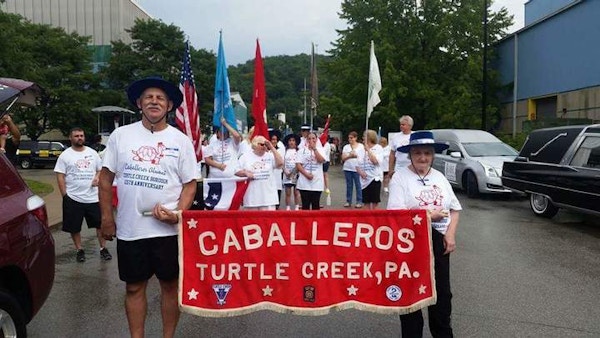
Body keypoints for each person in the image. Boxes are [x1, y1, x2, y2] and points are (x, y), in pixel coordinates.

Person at [98, 76, 197, 338]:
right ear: (139, 103)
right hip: (132, 229)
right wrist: (107, 218)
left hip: (168, 232)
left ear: (169, 106)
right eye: (148, 97)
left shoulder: (181, 140)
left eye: (160, 98)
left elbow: (190, 185)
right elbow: (105, 180)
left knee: (169, 286)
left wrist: (177, 213)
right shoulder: (121, 136)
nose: (154, 101)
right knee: (133, 287)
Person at [387, 131, 461, 337]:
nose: (423, 157)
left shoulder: (440, 177)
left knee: (442, 295)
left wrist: (451, 235)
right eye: (418, 152)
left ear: (433, 155)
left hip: (439, 242)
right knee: (412, 296)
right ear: (410, 154)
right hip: (410, 243)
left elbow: (455, 209)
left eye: (427, 153)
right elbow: (395, 214)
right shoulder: (400, 178)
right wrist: (428, 216)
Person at [54, 127, 111, 262]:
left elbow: (100, 170)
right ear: (70, 138)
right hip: (73, 198)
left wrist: (97, 177)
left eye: (81, 135)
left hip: (93, 197)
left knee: (99, 225)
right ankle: (79, 250)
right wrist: (65, 195)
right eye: (76, 136)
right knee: (74, 227)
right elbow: (60, 176)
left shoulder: (92, 153)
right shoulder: (65, 155)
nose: (79, 138)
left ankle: (103, 248)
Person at [236, 135, 283, 210]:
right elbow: (236, 171)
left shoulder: (270, 156)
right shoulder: (245, 156)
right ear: (255, 144)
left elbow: (280, 163)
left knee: (268, 221)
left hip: (268, 198)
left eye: (266, 144)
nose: (264, 146)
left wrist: (271, 147)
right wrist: (246, 173)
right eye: (262, 144)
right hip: (252, 198)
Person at [295, 132, 325, 210]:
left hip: (317, 183)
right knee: (305, 205)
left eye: (313, 138)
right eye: (309, 138)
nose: (311, 140)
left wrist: (314, 149)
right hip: (304, 183)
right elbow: (298, 165)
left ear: (316, 139)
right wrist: (306, 174)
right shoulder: (301, 151)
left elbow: (321, 160)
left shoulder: (321, 150)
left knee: (315, 205)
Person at [356, 130, 384, 209]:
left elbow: (375, 161)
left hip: (374, 178)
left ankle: (375, 219)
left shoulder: (378, 148)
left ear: (369, 138)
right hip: (364, 180)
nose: (363, 138)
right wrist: (360, 172)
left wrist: (368, 150)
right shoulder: (360, 150)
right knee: (366, 202)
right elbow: (357, 165)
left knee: (374, 202)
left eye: (364, 136)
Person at [341, 131, 364, 208]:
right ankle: (348, 200)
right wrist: (350, 156)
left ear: (355, 138)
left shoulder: (361, 146)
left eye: (352, 138)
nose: (350, 139)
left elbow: (362, 157)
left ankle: (359, 201)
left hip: (357, 168)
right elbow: (343, 158)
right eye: (349, 138)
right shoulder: (346, 147)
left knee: (358, 185)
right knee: (349, 185)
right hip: (348, 168)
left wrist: (355, 155)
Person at [388, 115, 414, 179]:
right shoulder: (395, 136)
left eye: (403, 124)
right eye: (400, 124)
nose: (401, 126)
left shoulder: (414, 136)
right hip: (399, 167)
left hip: (412, 166)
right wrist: (390, 169)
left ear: (410, 126)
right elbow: (392, 154)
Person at [282, 133, 301, 210]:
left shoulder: (298, 151)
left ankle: (297, 206)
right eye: (290, 140)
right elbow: (282, 162)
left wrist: (294, 172)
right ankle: (288, 207)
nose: (291, 142)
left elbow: (300, 162)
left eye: (293, 140)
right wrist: (285, 171)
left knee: (296, 192)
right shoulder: (285, 151)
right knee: (288, 192)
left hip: (296, 174)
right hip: (287, 174)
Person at [269, 129, 285, 208]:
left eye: (275, 139)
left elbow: (281, 164)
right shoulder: (265, 151)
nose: (274, 141)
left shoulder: (280, 149)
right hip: (268, 180)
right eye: (272, 139)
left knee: (276, 203)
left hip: (277, 178)